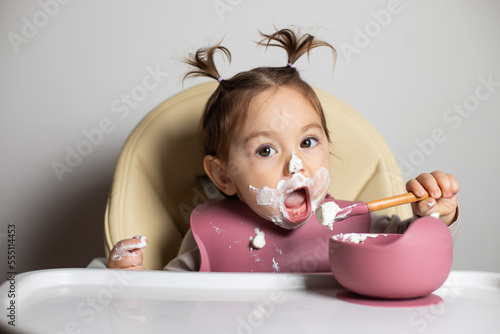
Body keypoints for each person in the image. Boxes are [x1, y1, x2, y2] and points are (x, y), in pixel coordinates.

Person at [108, 28, 459, 271]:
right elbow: (165, 304)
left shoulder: (357, 223)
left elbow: (415, 253)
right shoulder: (210, 234)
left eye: (308, 142)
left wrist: (434, 214)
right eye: (265, 150)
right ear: (223, 175)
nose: (296, 165)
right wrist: (130, 283)